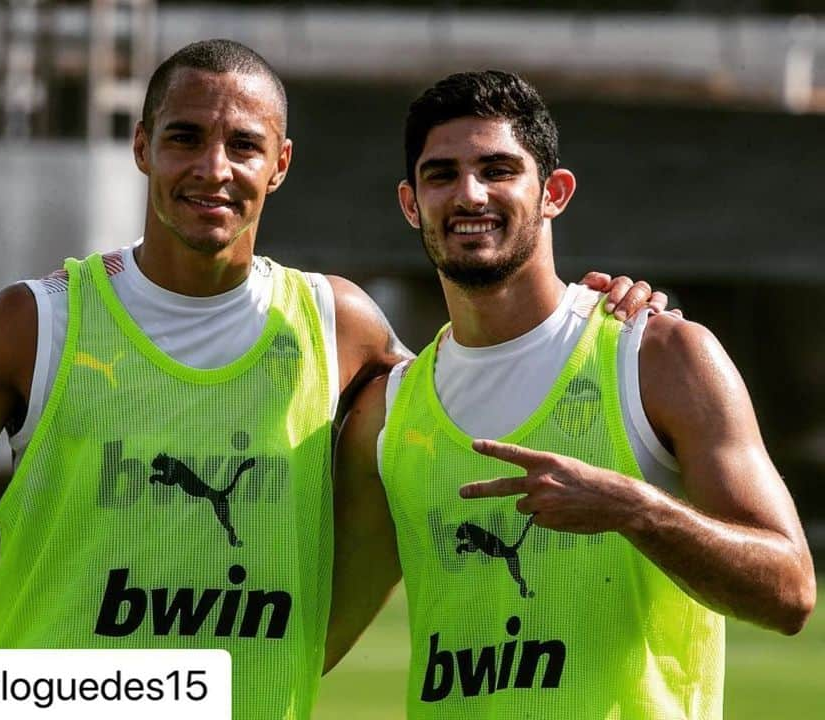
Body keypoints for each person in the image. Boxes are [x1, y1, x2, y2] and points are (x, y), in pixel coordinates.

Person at [0, 41, 658, 720]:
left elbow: (480, 386)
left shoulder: (339, 327)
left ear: (279, 164)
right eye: (184, 138)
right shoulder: (38, 323)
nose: (213, 167)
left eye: (243, 145)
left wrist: (600, 315)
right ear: (142, 148)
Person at [330, 69, 816, 719]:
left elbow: (789, 592)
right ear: (411, 203)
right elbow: (309, 637)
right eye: (441, 174)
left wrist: (636, 509)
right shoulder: (387, 415)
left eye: (499, 169)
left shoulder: (657, 358)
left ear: (554, 192)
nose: (469, 193)